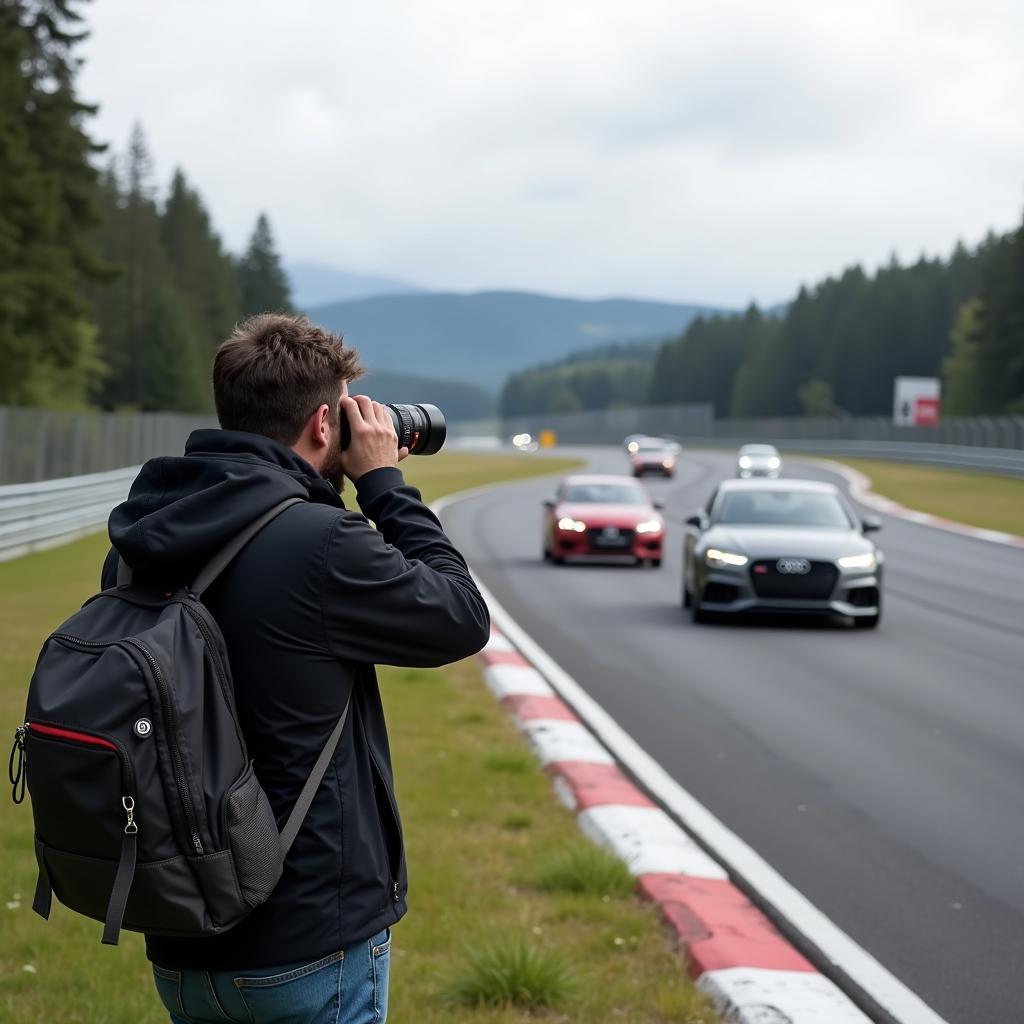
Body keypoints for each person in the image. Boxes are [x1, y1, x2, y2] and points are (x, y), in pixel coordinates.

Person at [100, 313, 490, 1024]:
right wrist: (383, 484)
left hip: (184, 939)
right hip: (308, 942)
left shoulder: (142, 534)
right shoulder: (320, 543)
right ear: (323, 422)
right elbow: (460, 616)